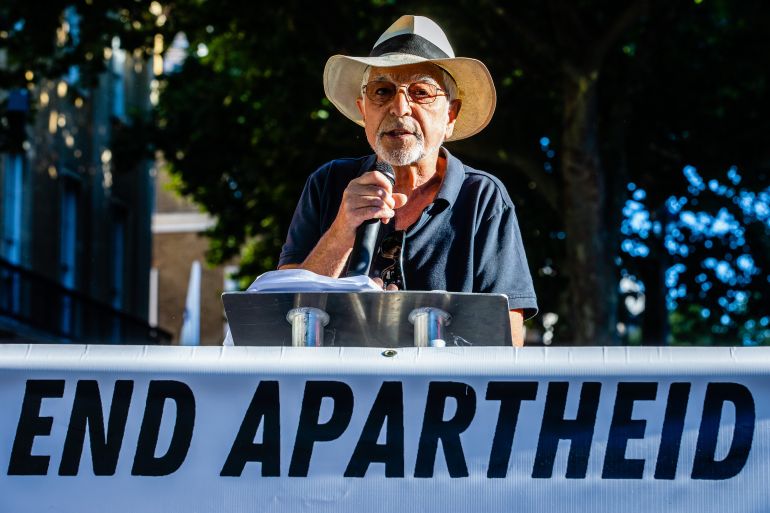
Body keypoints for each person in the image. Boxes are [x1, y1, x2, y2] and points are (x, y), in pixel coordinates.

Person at [278, 15, 537, 345]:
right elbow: (279, 314)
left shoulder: (482, 197)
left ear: (451, 116)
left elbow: (507, 338)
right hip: (340, 392)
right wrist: (343, 228)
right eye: (382, 91)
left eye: (420, 92)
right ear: (363, 111)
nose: (399, 107)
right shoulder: (329, 182)